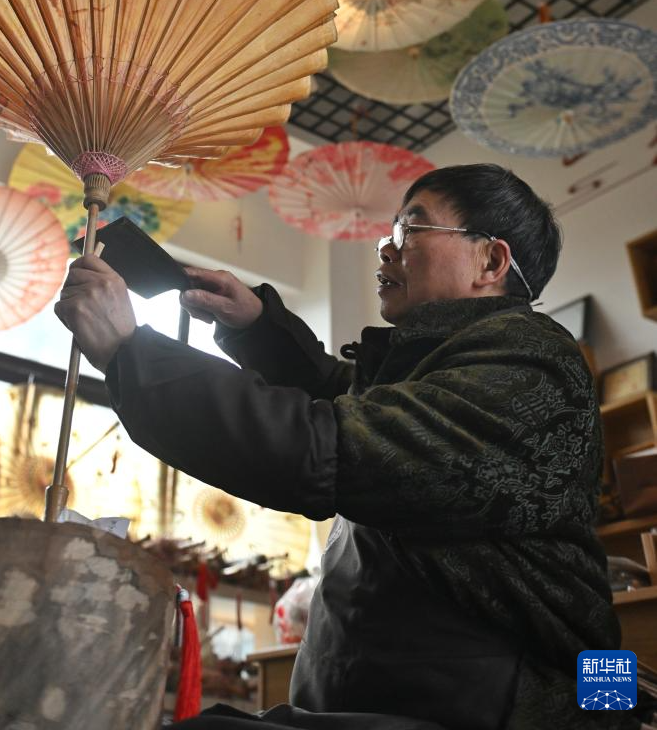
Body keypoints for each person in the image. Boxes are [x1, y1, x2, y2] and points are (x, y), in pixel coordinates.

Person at [55, 163, 643, 730]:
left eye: (411, 228)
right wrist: (256, 327)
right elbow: (347, 399)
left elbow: (334, 448)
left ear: (490, 260)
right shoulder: (439, 369)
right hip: (380, 705)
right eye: (391, 232)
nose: (386, 249)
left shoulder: (532, 367)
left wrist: (132, 353)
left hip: (496, 710)